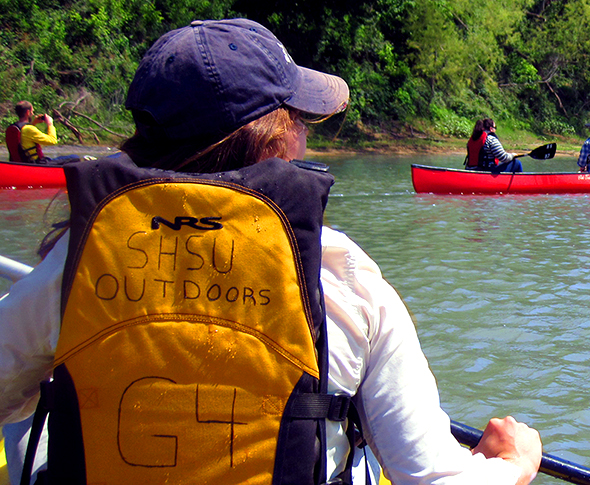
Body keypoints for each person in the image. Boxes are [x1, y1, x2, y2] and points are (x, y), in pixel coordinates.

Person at [0, 18, 540, 485]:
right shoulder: (343, 273)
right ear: (277, 139)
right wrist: (514, 463)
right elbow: (430, 477)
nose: (303, 138)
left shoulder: (77, 260)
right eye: (298, 121)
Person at [5, 101, 87, 164]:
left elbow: (25, 137)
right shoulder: (29, 129)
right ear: (28, 112)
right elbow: (53, 140)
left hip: (22, 164)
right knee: (74, 157)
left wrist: (34, 123)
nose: (33, 114)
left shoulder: (14, 128)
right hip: (37, 165)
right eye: (32, 111)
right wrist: (50, 124)